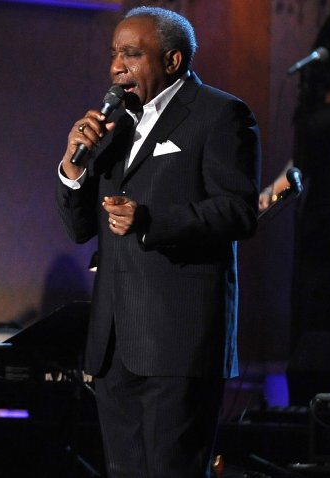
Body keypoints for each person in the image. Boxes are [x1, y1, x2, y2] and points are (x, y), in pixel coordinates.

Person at [55, 7, 260, 477]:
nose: (115, 67)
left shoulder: (221, 114)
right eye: (113, 54)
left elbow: (238, 211)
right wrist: (73, 168)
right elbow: (80, 228)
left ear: (172, 61)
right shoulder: (115, 125)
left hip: (178, 343)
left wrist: (151, 221)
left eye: (131, 54)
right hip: (113, 346)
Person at [259, 8, 330, 353]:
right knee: (318, 324)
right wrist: (267, 197)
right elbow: (301, 162)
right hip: (322, 225)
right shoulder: (316, 95)